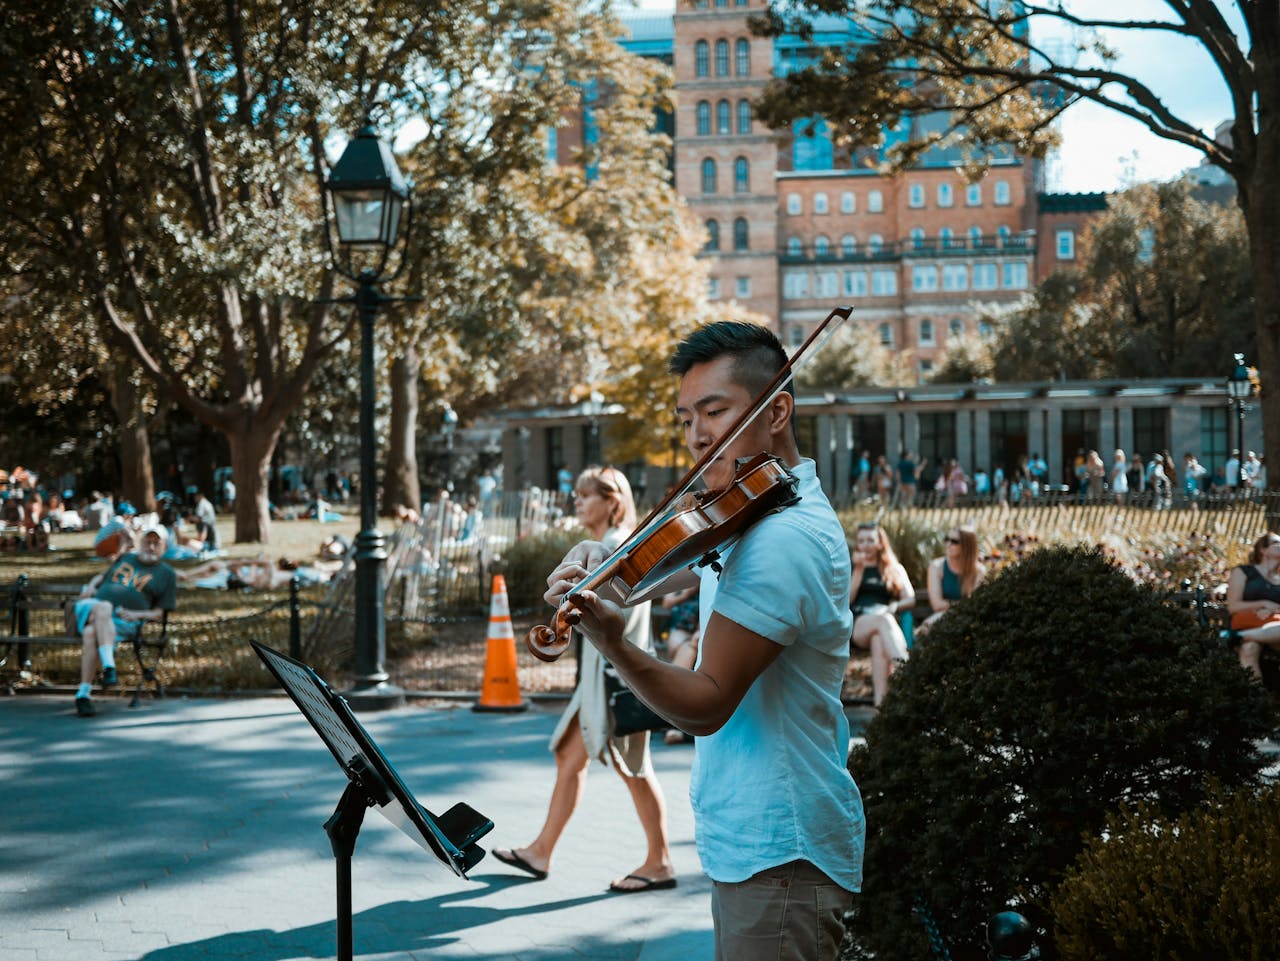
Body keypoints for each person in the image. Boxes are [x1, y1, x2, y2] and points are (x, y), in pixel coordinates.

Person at [543, 322, 862, 959]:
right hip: (759, 845)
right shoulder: (754, 510)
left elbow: (708, 702)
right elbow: (669, 562)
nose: (696, 436)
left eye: (715, 411)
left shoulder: (783, 538)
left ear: (777, 410)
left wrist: (614, 643)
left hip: (781, 851)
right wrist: (603, 559)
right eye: (687, 417)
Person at [492, 466, 675, 895]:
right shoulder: (605, 546)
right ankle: (540, 851)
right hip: (599, 680)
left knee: (634, 768)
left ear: (611, 500)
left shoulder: (618, 547)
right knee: (570, 758)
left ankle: (661, 861)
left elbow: (621, 615)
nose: (577, 501)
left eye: (585, 494)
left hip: (616, 681)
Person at [72, 525, 178, 717]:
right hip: (91, 608)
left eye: (157, 543)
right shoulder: (126, 558)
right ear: (141, 542)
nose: (151, 547)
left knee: (90, 634)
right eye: (148, 542)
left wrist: (136, 615)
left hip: (122, 622)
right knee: (104, 607)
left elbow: (160, 614)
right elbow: (101, 577)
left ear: (165, 547)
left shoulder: (167, 574)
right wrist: (91, 585)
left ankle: (83, 694)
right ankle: (109, 666)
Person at [849, 521, 913, 706]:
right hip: (859, 623)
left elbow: (910, 598)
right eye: (861, 541)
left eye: (870, 540)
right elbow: (847, 602)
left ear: (879, 543)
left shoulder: (893, 568)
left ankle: (881, 708)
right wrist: (859, 570)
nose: (865, 545)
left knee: (879, 641)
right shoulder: (853, 568)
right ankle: (907, 672)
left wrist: (894, 607)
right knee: (884, 621)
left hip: (883, 625)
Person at [1225, 533, 1280, 679]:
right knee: (1249, 648)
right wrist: (1263, 604)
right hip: (1249, 625)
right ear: (1262, 549)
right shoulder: (1244, 572)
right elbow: (1233, 607)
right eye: (1276, 543)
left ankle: (1233, 636)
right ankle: (1256, 699)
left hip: (1275, 628)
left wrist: (1272, 610)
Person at [916, 525, 986, 638]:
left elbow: (975, 604)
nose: (948, 544)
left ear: (966, 545)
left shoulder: (979, 571)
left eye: (954, 541)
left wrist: (952, 605)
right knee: (929, 627)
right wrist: (961, 604)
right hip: (940, 616)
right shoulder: (936, 567)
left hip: (967, 617)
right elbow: (937, 604)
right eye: (946, 539)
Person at [659, 584, 700, 744]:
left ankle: (672, 720)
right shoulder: (683, 580)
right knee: (681, 646)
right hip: (680, 627)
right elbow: (667, 603)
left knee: (690, 647)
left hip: (701, 628)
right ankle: (675, 720)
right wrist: (686, 592)